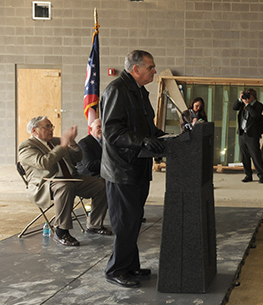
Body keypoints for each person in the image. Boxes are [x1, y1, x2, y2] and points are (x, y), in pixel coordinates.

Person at [99, 50, 167, 288]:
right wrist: (143, 141)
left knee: (134, 220)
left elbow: (148, 128)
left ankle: (130, 266)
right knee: (125, 222)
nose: (154, 71)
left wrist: (166, 137)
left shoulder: (138, 92)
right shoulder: (117, 90)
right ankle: (116, 269)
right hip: (121, 169)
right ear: (136, 69)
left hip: (137, 166)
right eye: (150, 67)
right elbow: (112, 131)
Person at [18, 116, 112, 247]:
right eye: (47, 126)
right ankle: (61, 232)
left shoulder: (56, 141)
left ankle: (94, 224)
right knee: (65, 186)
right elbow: (44, 163)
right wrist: (62, 146)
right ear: (35, 130)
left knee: (102, 184)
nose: (51, 129)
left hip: (70, 178)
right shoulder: (26, 146)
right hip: (46, 183)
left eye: (52, 126)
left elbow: (78, 159)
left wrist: (72, 143)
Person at [233, 88, 263, 183]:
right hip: (242, 133)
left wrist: (248, 105)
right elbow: (234, 107)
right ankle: (248, 175)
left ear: (253, 97)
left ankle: (261, 175)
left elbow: (255, 115)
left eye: (249, 96)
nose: (247, 98)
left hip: (252, 135)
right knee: (244, 156)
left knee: (255, 155)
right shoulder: (242, 105)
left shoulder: (258, 105)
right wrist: (240, 100)